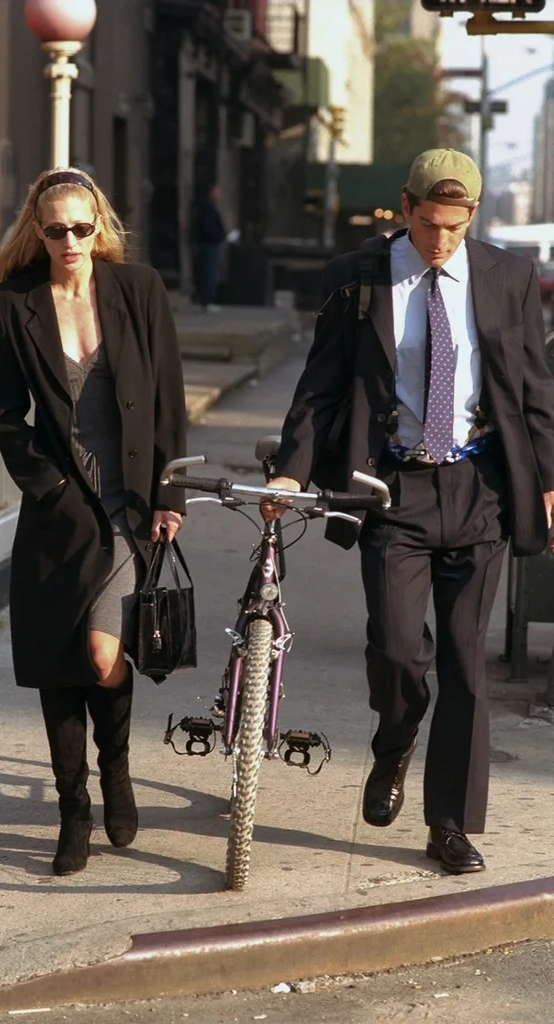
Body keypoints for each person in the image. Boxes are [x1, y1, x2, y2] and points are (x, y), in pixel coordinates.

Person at [263, 149, 554, 874]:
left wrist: (549, 481)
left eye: (455, 228)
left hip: (477, 486)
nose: (441, 242)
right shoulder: (361, 277)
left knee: (465, 663)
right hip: (391, 488)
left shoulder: (506, 276)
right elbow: (321, 383)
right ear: (404, 207)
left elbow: (533, 387)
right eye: (429, 226)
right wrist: (292, 472)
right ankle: (395, 742)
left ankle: (450, 823)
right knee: (396, 651)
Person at [0, 168, 188, 876]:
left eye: (81, 226)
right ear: (37, 233)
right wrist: (46, 484)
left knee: (102, 656)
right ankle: (75, 809)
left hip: (128, 505)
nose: (70, 240)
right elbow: (3, 412)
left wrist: (170, 494)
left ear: (100, 225)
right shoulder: (15, 305)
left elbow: (167, 399)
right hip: (58, 508)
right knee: (55, 665)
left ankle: (117, 769)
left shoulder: (138, 290)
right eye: (56, 229)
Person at [196, 183, 227, 312]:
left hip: (215, 244)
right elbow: (208, 228)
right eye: (216, 191)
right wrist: (217, 237)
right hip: (210, 245)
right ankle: (207, 301)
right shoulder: (207, 208)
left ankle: (210, 299)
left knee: (214, 273)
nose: (219, 194)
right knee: (209, 273)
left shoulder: (213, 208)